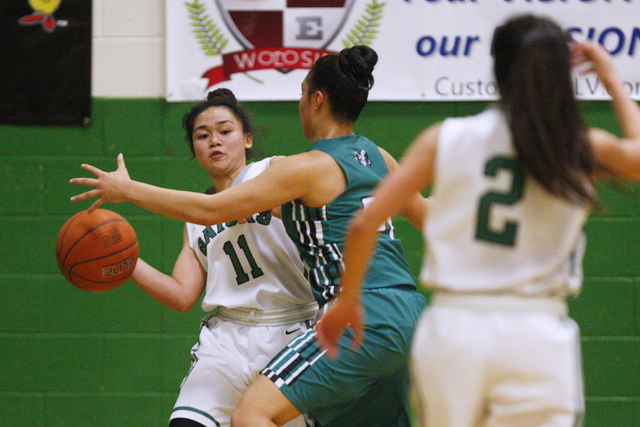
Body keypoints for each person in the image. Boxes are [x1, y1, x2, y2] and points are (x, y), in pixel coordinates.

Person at [69, 45, 429, 426]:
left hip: (337, 315)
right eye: (203, 135)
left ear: (317, 100)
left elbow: (211, 211)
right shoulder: (377, 155)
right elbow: (428, 215)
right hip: (406, 311)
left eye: (302, 94)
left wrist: (129, 191)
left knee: (252, 416)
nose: (215, 141)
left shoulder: (287, 170)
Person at [315, 14, 640, 427]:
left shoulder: (446, 137)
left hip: (455, 328)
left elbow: (363, 225)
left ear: (497, 74)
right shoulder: (578, 146)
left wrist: (347, 301)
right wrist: (611, 78)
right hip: (537, 331)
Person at [126, 88, 317, 427]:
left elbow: (325, 206)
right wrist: (126, 260)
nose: (214, 141)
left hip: (292, 328)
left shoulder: (274, 171)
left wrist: (273, 206)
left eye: (225, 131)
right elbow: (183, 295)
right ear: (194, 149)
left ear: (246, 140)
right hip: (227, 336)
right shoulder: (195, 217)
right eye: (203, 135)